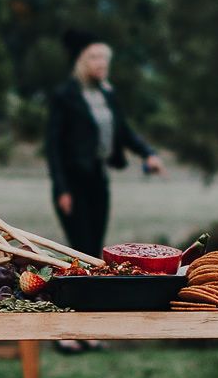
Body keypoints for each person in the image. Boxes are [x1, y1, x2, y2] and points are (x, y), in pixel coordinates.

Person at [43, 28, 164, 260]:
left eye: (105, 59)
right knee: (81, 248)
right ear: (80, 61)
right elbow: (53, 147)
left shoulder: (107, 95)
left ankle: (92, 292)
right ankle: (79, 293)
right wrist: (62, 188)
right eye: (94, 57)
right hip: (73, 181)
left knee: (97, 247)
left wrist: (147, 153)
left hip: (98, 177)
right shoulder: (65, 96)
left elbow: (124, 131)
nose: (101, 63)